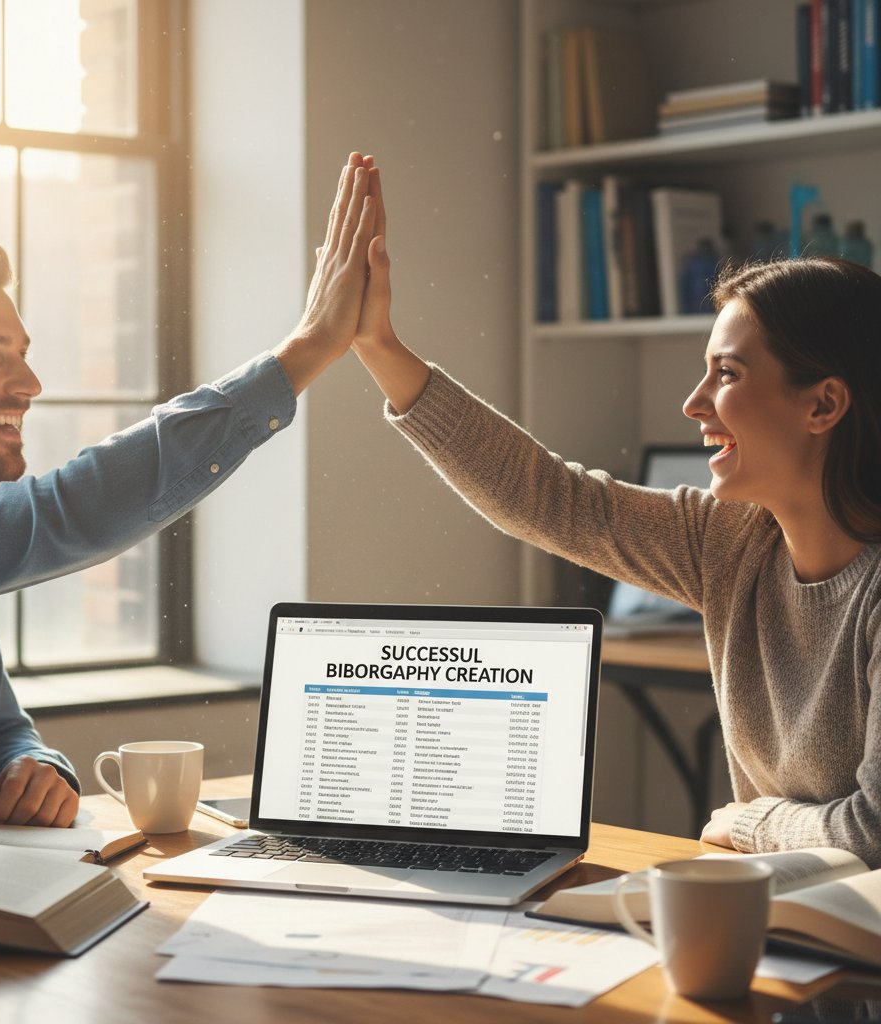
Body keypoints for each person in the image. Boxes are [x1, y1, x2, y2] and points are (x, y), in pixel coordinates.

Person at [349, 154, 881, 867]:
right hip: (776, 916)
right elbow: (545, 497)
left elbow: (872, 834)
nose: (694, 404)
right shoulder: (727, 542)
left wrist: (750, 822)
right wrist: (377, 345)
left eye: (726, 374)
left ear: (824, 404)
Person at [0, 153, 378, 833]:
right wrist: (308, 349)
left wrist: (27, 764)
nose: (29, 383)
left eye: (21, 351)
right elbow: (66, 512)